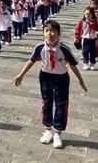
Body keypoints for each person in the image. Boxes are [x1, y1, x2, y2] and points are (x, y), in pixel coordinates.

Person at [12, 19, 87, 150]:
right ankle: (47, 129)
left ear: (58, 33)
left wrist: (80, 80)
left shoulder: (64, 49)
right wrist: (21, 74)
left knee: (61, 104)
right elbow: (31, 61)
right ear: (43, 33)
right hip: (45, 77)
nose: (50, 34)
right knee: (46, 103)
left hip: (61, 78)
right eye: (47, 31)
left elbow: (73, 66)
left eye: (53, 31)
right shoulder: (40, 47)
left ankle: (58, 132)